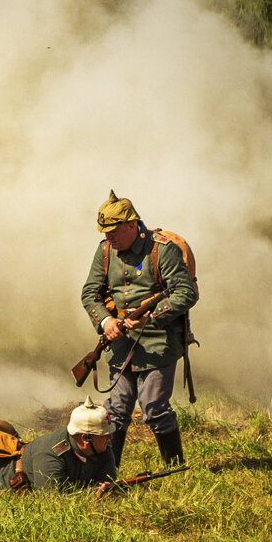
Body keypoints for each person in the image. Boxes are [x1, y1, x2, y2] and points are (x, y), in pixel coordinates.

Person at [79, 191, 198, 466]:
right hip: (120, 343)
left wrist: (150, 317)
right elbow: (90, 294)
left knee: (154, 408)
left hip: (159, 340)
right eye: (105, 232)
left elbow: (185, 293)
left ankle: (175, 467)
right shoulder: (105, 251)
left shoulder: (161, 249)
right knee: (116, 410)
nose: (109, 237)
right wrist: (106, 321)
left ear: (132, 225)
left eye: (113, 231)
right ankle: (108, 472)